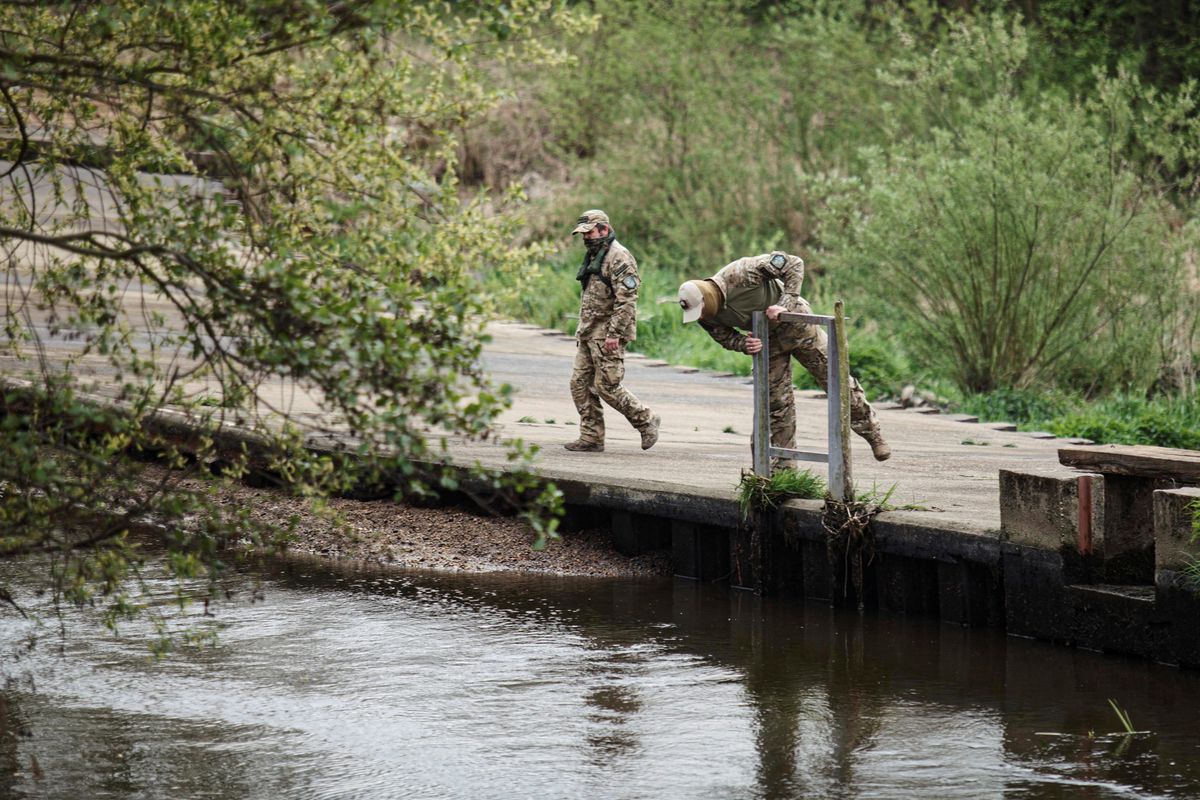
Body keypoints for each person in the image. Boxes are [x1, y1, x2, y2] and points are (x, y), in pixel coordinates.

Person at [678, 251, 891, 464]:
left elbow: (794, 263)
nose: (701, 316)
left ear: (707, 298)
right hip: (767, 340)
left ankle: (873, 433)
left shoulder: (742, 272)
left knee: (835, 378)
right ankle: (783, 468)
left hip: (799, 326)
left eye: (701, 310)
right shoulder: (704, 315)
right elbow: (724, 336)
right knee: (775, 402)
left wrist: (785, 302)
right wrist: (744, 344)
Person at [564, 209, 660, 452]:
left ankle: (646, 420)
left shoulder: (619, 258)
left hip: (607, 334)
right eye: (583, 234)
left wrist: (614, 334)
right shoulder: (596, 254)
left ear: (604, 230)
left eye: (590, 233)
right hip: (588, 331)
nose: (586, 238)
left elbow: (627, 301)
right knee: (580, 383)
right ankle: (591, 437)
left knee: (607, 386)